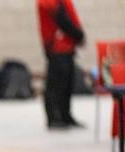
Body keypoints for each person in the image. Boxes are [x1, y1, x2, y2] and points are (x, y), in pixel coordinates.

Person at [37, 0, 85, 129]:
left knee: (67, 84)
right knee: (55, 85)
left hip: (67, 46)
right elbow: (61, 18)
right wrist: (78, 35)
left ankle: (65, 115)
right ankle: (54, 117)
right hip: (57, 47)